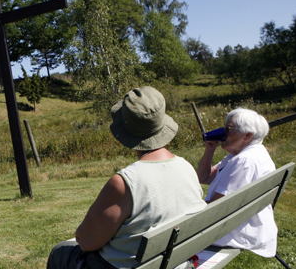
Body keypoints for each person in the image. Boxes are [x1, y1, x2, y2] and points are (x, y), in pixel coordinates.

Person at [47, 87, 206, 269]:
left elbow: (86, 241)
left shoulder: (126, 182)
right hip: (176, 261)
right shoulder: (186, 167)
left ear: (126, 128)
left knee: (60, 251)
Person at [197, 108, 278, 257]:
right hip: (245, 224)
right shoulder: (246, 153)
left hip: (238, 232)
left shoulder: (244, 160)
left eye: (228, 129)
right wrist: (209, 150)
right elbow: (204, 178)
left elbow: (217, 206)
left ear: (247, 135)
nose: (223, 133)